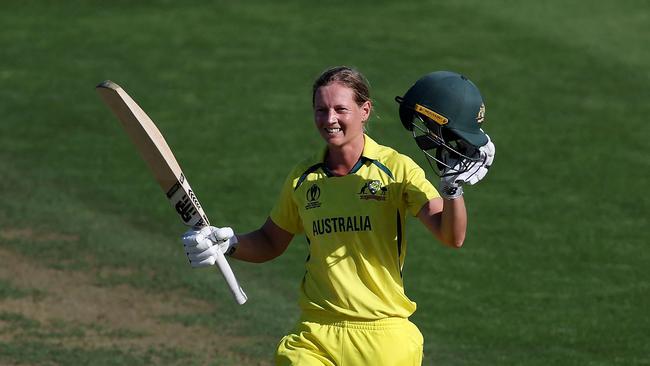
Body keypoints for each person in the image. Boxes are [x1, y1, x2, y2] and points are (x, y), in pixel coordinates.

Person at [181, 66, 495, 365]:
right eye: (321, 110)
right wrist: (229, 244)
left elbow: (451, 236)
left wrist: (452, 192)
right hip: (316, 334)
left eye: (340, 109)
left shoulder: (397, 170)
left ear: (365, 111)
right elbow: (269, 241)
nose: (329, 119)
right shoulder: (303, 178)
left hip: (384, 338)